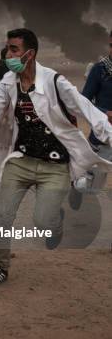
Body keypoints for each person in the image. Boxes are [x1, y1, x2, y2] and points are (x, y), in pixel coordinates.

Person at [0, 28, 112, 288]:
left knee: (43, 220)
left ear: (30, 53)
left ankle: (55, 224)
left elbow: (88, 111)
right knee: (3, 216)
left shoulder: (55, 81)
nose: (8, 54)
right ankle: (1, 266)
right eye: (8, 49)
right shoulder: (7, 81)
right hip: (21, 160)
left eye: (14, 49)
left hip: (55, 165)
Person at [69, 30, 112, 207]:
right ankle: (76, 188)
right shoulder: (100, 70)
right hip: (103, 137)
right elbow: (83, 102)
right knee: (88, 185)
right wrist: (104, 113)